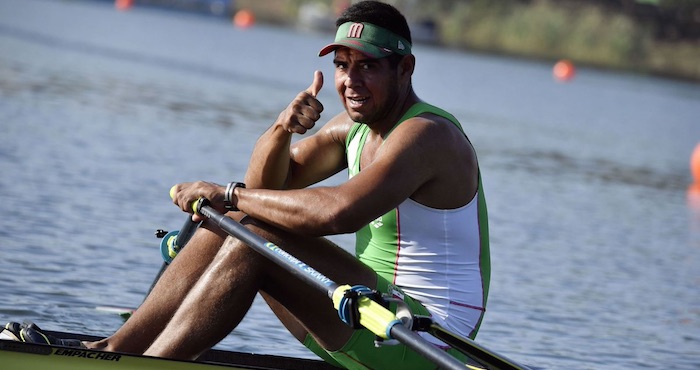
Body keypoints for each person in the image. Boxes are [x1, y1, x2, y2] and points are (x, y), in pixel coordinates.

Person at [4, 1, 490, 369]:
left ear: (404, 69)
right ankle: (112, 350)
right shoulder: (354, 128)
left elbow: (337, 212)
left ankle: (148, 361)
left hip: (429, 338)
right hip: (365, 315)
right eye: (342, 65)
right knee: (243, 223)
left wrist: (227, 194)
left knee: (253, 233)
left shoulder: (429, 137)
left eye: (367, 65)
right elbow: (268, 187)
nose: (350, 80)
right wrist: (282, 130)